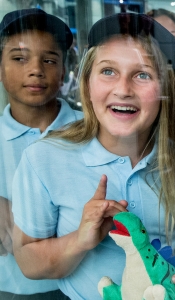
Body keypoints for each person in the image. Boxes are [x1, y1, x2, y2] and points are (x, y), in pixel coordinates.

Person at [10, 13, 175, 300]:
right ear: (87, 83)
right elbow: (28, 264)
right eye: (108, 71)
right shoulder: (43, 158)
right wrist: (79, 241)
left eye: (143, 74)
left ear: (164, 89)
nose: (123, 90)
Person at [0, 8, 81, 299]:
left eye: (49, 60)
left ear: (63, 71)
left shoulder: (93, 132)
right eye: (19, 58)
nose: (36, 70)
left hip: (87, 284)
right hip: (14, 288)